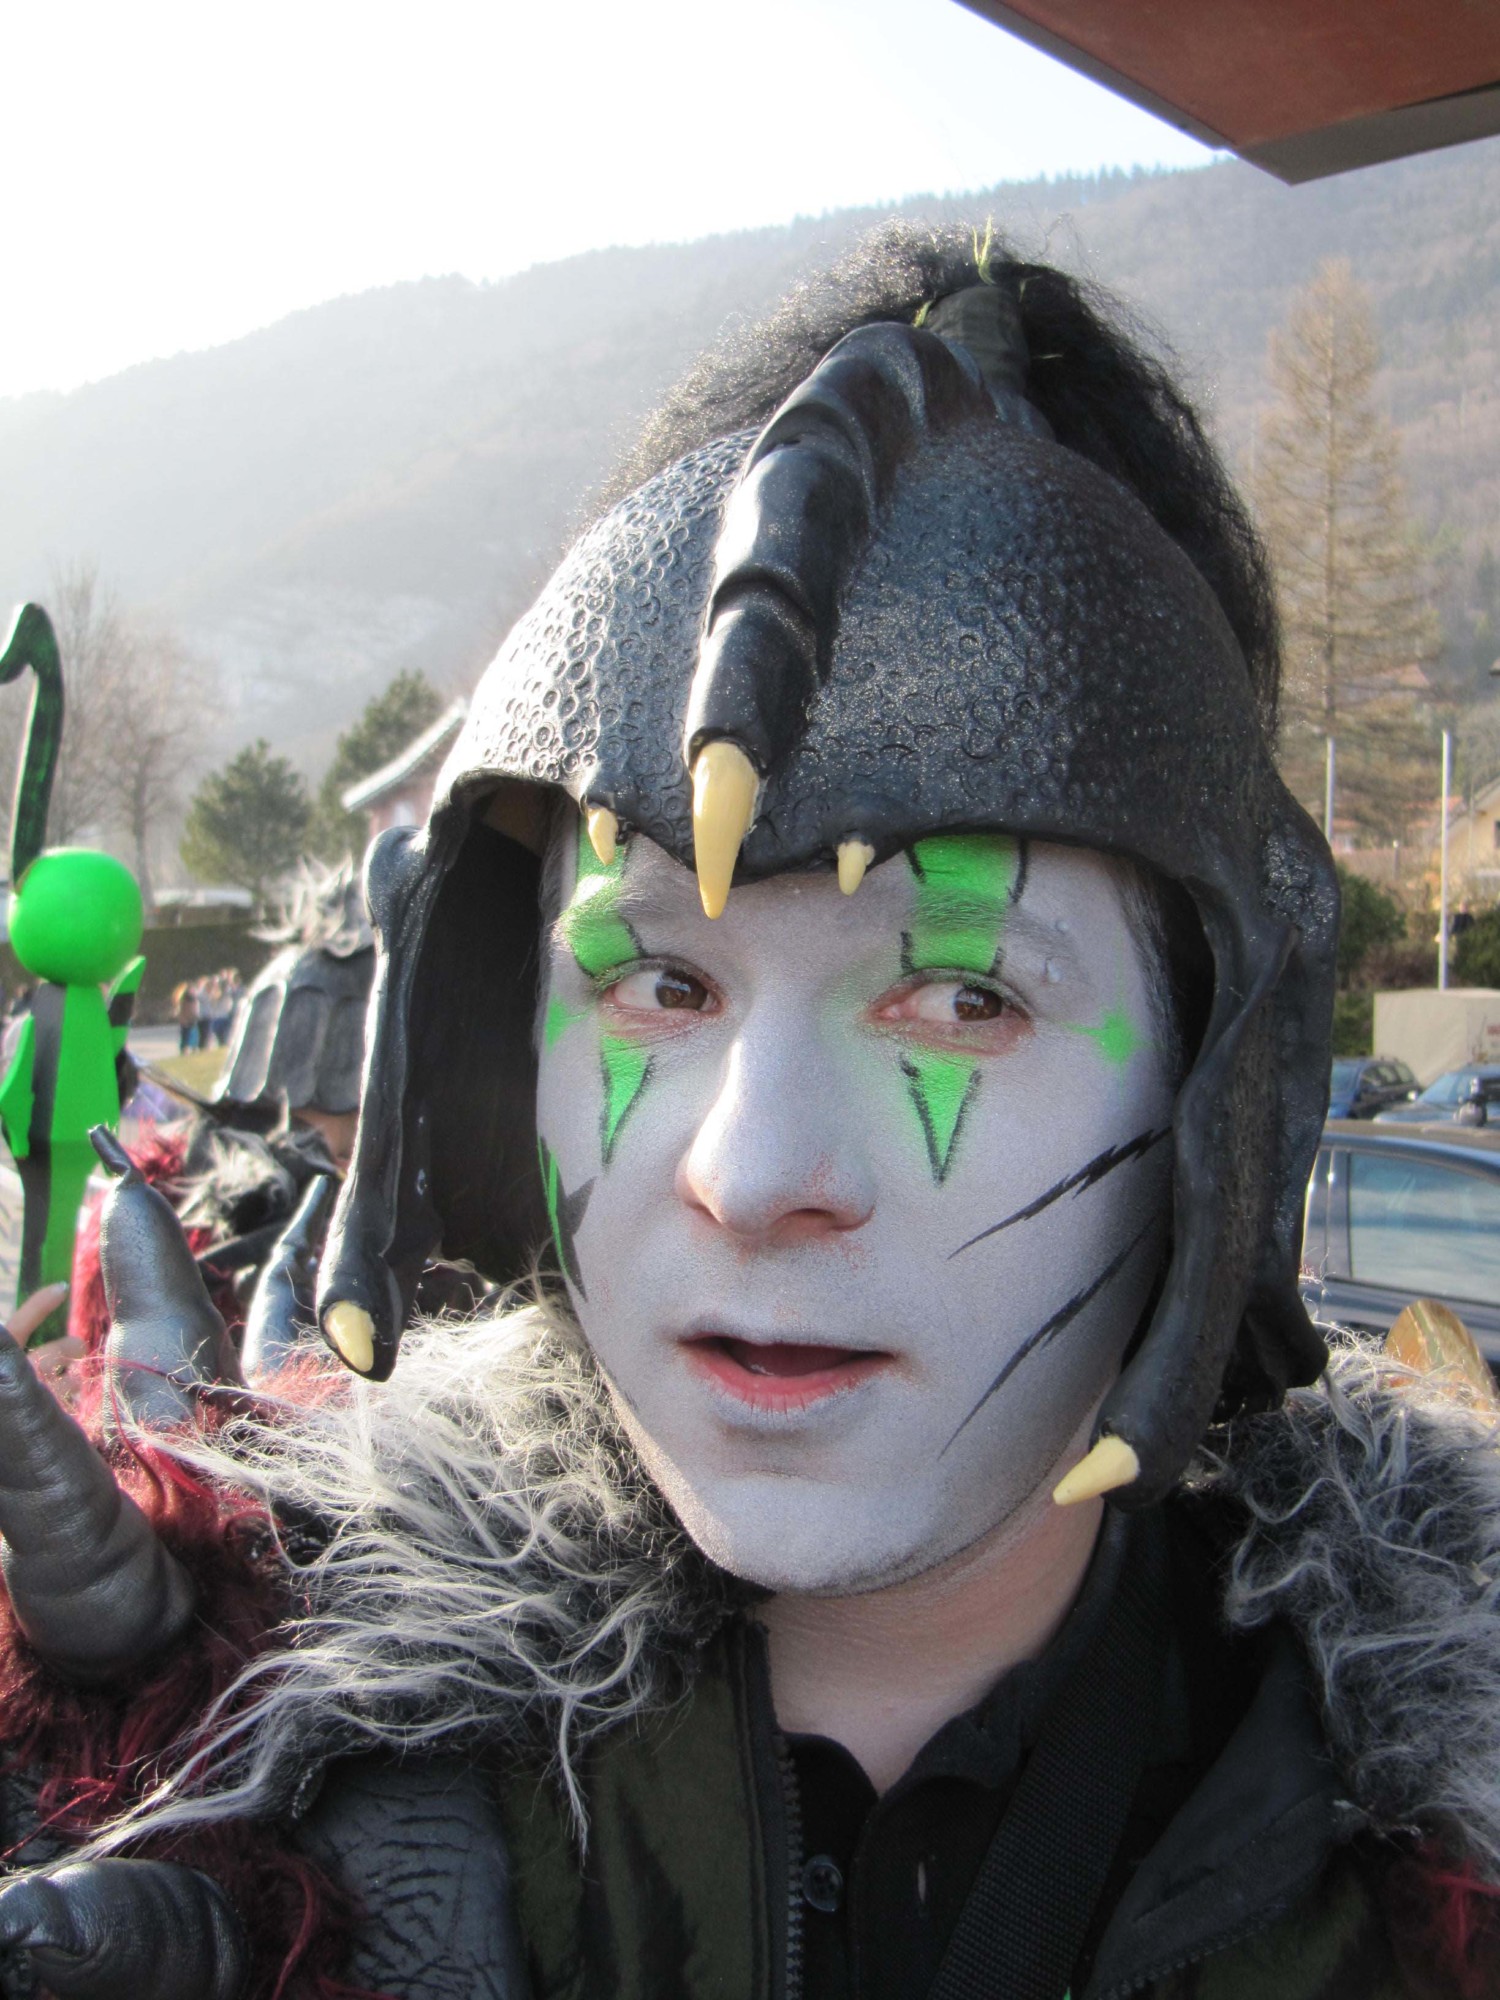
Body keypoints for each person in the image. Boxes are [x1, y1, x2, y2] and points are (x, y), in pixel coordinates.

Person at [0, 227, 1495, 2000]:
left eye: (967, 999)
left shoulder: (1420, 1895)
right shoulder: (265, 1794)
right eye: (658, 983)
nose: (753, 1172)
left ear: (1216, 1083)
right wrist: (207, 1822)